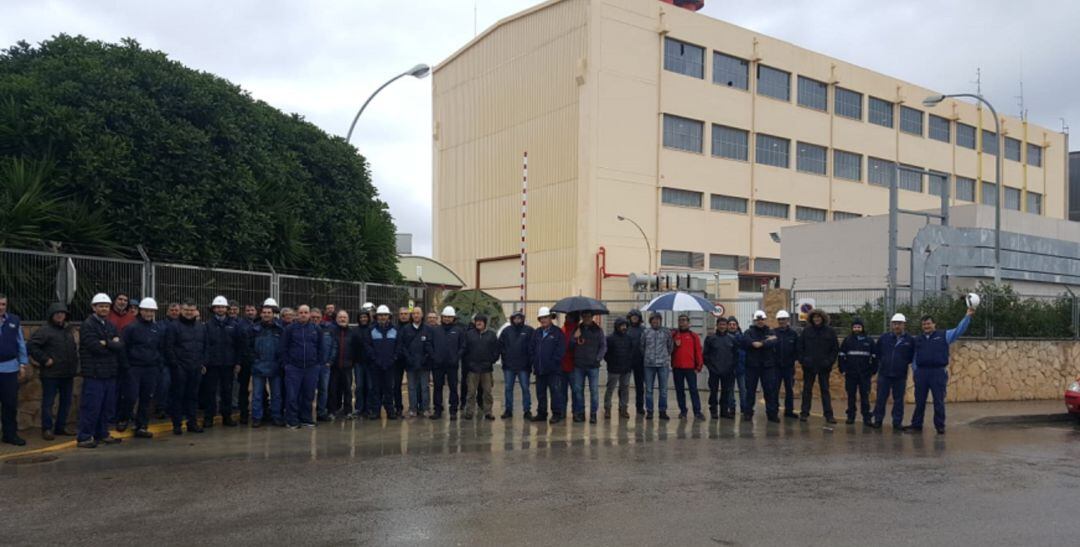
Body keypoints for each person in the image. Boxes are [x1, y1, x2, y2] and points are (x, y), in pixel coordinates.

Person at [905, 307, 975, 435]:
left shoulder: (944, 335)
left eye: (928, 323)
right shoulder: (918, 339)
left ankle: (940, 426)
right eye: (924, 324)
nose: (926, 326)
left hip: (938, 373)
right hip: (921, 373)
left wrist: (967, 316)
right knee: (919, 401)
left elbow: (959, 330)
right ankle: (916, 425)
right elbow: (915, 356)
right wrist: (915, 371)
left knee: (938, 401)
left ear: (934, 324)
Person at [77, 293, 124, 448]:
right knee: (91, 407)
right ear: (93, 307)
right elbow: (95, 347)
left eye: (106, 306)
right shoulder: (88, 325)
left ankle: (102, 433)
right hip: (94, 374)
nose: (104, 309)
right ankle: (85, 437)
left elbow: (119, 346)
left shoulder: (110, 325)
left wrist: (106, 343)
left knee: (107, 407)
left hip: (109, 373)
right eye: (101, 306)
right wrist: (111, 344)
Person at [30, 302, 78, 440]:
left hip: (67, 373)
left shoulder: (69, 330)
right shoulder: (44, 330)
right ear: (51, 315)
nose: (60, 315)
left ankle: (60, 427)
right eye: (57, 313)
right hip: (50, 374)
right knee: (48, 402)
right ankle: (47, 428)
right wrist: (45, 359)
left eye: (62, 313)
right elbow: (32, 346)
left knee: (66, 402)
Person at [122, 297, 165, 438]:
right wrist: (127, 366)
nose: (148, 313)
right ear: (140, 311)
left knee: (146, 398)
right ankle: (124, 418)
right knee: (131, 396)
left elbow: (160, 348)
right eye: (146, 310)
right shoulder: (131, 328)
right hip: (134, 368)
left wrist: (158, 364)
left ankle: (142, 426)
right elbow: (124, 348)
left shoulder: (157, 329)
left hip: (151, 368)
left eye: (151, 311)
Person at [164, 300, 207, 435]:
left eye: (192, 310)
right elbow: (168, 347)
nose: (189, 312)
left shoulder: (201, 327)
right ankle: (177, 424)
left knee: (193, 396)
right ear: (182, 311)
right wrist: (175, 364)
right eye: (186, 310)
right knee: (178, 396)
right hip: (180, 367)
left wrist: (203, 363)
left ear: (196, 310)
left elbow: (205, 346)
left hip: (196, 367)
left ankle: (192, 422)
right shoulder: (173, 326)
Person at [279, 305, 324, 429]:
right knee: (292, 395)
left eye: (306, 312)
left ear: (309, 314)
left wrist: (317, 364)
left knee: (308, 394)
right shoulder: (290, 329)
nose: (303, 314)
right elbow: (283, 348)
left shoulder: (316, 329)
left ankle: (306, 418)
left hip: (311, 367)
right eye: (301, 312)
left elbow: (321, 347)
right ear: (297, 314)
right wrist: (287, 364)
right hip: (294, 368)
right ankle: (292, 420)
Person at [201, 295, 242, 428]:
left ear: (227, 309)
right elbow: (204, 345)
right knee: (210, 392)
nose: (220, 309)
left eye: (222, 307)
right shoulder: (207, 325)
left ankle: (227, 417)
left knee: (227, 392)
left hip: (228, 364)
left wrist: (237, 363)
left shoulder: (234, 325)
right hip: (212, 364)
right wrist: (204, 363)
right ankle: (209, 418)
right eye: (217, 307)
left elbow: (238, 346)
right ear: (213, 309)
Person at [871, 314, 915, 430]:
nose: (897, 326)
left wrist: (902, 363)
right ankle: (878, 420)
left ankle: (897, 422)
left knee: (899, 400)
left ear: (904, 325)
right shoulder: (884, 338)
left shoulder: (909, 340)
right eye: (895, 324)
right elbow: (878, 354)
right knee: (881, 398)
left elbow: (911, 356)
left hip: (900, 375)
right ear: (891, 325)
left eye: (899, 324)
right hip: (884, 374)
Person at [797, 309, 838, 424]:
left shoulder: (830, 331)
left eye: (818, 317)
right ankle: (804, 413)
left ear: (823, 318)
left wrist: (829, 362)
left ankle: (829, 415)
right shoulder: (806, 331)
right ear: (811, 318)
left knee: (825, 390)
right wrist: (804, 361)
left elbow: (834, 349)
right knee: (807, 390)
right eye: (814, 317)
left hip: (824, 367)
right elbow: (800, 347)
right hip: (809, 366)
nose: (816, 319)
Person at [0, 294, 30, 446]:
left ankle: (10, 434)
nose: (1, 307)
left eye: (3, 304)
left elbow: (21, 344)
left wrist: (23, 364)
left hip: (9, 368)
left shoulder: (14, 320)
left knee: (10, 404)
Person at [742, 310, 780, 423]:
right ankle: (748, 413)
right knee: (750, 391)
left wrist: (762, 343)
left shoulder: (770, 331)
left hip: (767, 366)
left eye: (762, 319)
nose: (760, 321)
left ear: (764, 320)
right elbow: (747, 342)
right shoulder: (748, 332)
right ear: (754, 320)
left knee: (769, 391)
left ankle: (772, 414)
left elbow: (773, 341)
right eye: (758, 319)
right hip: (752, 366)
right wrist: (761, 342)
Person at [530, 307, 566, 424]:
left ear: (551, 318)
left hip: (553, 371)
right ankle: (541, 413)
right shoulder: (537, 333)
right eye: (541, 318)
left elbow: (560, 351)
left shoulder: (558, 333)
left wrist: (552, 363)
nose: (543, 320)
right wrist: (534, 362)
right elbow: (532, 349)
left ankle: (556, 414)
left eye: (545, 317)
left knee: (555, 392)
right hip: (539, 370)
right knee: (540, 393)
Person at [250, 304, 284, 427]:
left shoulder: (279, 329)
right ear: (260, 314)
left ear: (273, 314)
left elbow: (283, 347)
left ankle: (276, 416)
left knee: (276, 394)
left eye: (269, 312)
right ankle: (256, 418)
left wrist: (280, 362)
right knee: (257, 395)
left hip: (275, 366)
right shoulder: (254, 329)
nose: (266, 314)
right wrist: (254, 360)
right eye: (264, 312)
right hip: (258, 366)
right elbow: (249, 347)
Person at [838, 317, 876, 425]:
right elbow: (841, 355)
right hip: (851, 373)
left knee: (865, 396)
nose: (857, 329)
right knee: (851, 396)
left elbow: (874, 356)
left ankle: (866, 417)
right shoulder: (847, 340)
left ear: (862, 328)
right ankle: (851, 416)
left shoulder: (869, 341)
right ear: (852, 328)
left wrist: (873, 370)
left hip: (864, 374)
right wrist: (843, 369)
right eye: (855, 327)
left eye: (859, 327)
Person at [429, 307, 465, 420]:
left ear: (453, 318)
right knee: (437, 388)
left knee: (453, 388)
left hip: (452, 365)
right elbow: (429, 345)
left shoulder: (458, 330)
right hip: (438, 365)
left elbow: (463, 346)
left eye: (450, 317)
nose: (447, 319)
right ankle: (437, 410)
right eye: (445, 317)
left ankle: (453, 410)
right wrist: (434, 356)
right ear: (442, 317)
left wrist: (457, 357)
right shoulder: (435, 330)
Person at [571, 311, 606, 424]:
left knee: (594, 391)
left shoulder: (598, 330)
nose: (586, 318)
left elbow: (603, 346)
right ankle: (580, 413)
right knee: (577, 391)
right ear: (582, 317)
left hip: (593, 366)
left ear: (592, 317)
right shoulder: (577, 329)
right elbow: (570, 345)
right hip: (579, 365)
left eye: (588, 316)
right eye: (584, 316)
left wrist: (598, 358)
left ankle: (593, 414)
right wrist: (574, 338)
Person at [108, 292, 136, 431]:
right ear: (114, 301)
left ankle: (123, 416)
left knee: (126, 391)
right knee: (112, 390)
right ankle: (109, 417)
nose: (122, 302)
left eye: (125, 300)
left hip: (127, 359)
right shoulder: (107, 316)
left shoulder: (131, 318)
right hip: (109, 358)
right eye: (120, 299)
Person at [498, 310, 534, 420]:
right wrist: (505, 358)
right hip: (509, 366)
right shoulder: (506, 331)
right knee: (508, 388)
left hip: (524, 367)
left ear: (522, 319)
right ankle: (508, 410)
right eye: (515, 318)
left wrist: (530, 361)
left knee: (525, 388)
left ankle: (527, 410)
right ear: (512, 319)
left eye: (519, 318)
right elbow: (500, 346)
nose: (517, 320)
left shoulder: (529, 330)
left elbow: (533, 347)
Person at [398, 307, 433, 417]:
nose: (416, 315)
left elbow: (430, 345)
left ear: (422, 315)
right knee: (411, 387)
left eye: (418, 313)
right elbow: (402, 346)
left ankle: (425, 408)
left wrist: (426, 358)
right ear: (412, 316)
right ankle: (413, 409)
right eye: (414, 313)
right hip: (410, 364)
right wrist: (408, 358)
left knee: (425, 387)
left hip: (424, 364)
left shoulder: (428, 329)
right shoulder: (406, 329)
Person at [462, 314, 498, 420]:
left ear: (485, 323)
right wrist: (468, 363)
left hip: (486, 369)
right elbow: (464, 349)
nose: (478, 323)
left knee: (487, 392)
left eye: (481, 321)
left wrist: (492, 360)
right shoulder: (469, 334)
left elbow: (496, 350)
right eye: (477, 321)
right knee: (471, 392)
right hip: (473, 369)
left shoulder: (491, 335)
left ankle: (488, 412)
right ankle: (469, 412)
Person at [368, 305, 400, 419]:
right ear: (377, 317)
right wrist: (375, 359)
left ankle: (390, 411)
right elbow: (368, 346)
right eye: (380, 315)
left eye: (385, 315)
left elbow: (398, 346)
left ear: (389, 316)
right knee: (375, 389)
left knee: (389, 389)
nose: (382, 317)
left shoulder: (395, 330)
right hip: (376, 365)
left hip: (390, 365)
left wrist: (394, 358)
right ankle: (376, 411)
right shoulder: (371, 330)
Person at [670, 314, 704, 420]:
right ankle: (683, 411)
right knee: (679, 390)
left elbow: (698, 351)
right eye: (680, 320)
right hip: (677, 368)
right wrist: (674, 345)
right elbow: (668, 350)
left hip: (690, 368)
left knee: (693, 390)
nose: (682, 322)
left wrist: (699, 365)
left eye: (684, 320)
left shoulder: (694, 336)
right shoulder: (674, 335)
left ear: (689, 323)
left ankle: (697, 412)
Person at [641, 312, 674, 421]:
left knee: (663, 390)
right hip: (648, 365)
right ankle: (649, 411)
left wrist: (664, 356)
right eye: (653, 320)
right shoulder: (646, 332)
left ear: (660, 320)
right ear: (650, 321)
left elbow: (670, 346)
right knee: (649, 389)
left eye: (658, 319)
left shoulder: (666, 332)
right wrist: (648, 356)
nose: (656, 321)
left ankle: (662, 411)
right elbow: (642, 347)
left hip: (663, 365)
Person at [703, 317, 737, 419]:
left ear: (726, 326)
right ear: (717, 325)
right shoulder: (710, 338)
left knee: (726, 392)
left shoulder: (732, 339)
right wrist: (710, 367)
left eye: (724, 324)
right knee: (713, 391)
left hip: (728, 371)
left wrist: (731, 367)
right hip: (714, 371)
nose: (722, 326)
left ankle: (724, 411)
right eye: (720, 324)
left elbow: (736, 355)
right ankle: (713, 410)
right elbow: (705, 355)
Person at [154, 302, 181, 419]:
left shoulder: (183, 325)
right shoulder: (160, 325)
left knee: (178, 386)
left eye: (176, 310)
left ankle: (175, 408)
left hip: (179, 362)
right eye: (172, 310)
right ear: (167, 311)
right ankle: (161, 408)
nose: (174, 312)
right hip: (164, 362)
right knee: (164, 385)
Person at [603, 317, 634, 420]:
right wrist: (611, 362)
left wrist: (629, 364)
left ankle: (623, 408)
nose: (624, 327)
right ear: (617, 326)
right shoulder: (610, 338)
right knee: (610, 389)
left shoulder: (629, 338)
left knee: (624, 389)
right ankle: (607, 408)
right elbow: (606, 354)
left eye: (625, 325)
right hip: (614, 369)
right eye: (622, 325)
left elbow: (631, 352)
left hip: (626, 369)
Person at [326, 310, 355, 419]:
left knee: (347, 389)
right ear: (336, 319)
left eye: (344, 317)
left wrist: (352, 361)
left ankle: (348, 411)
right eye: (340, 317)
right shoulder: (332, 331)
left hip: (347, 366)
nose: (342, 319)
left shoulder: (352, 332)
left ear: (348, 319)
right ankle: (332, 411)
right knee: (332, 389)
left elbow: (356, 349)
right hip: (334, 366)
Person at [773, 310, 800, 419]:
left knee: (789, 389)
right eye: (779, 319)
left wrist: (792, 360)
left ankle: (789, 411)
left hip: (789, 367)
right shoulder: (773, 333)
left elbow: (797, 350)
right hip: (776, 367)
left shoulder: (793, 334)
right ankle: (773, 410)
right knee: (774, 389)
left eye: (783, 319)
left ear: (787, 320)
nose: (781, 321)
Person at [350, 304, 374, 419]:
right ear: (358, 319)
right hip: (358, 363)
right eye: (361, 317)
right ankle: (359, 408)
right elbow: (352, 347)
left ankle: (368, 408)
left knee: (370, 386)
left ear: (368, 318)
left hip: (370, 363)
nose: (363, 319)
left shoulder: (372, 330)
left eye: (365, 317)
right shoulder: (354, 331)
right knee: (359, 386)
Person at [235, 302, 257, 424]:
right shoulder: (240, 326)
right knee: (243, 389)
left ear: (256, 311)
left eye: (252, 310)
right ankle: (243, 413)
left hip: (257, 361)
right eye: (248, 310)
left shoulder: (259, 324)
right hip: (244, 361)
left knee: (259, 388)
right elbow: (238, 345)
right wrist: (238, 362)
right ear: (245, 312)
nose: (250, 312)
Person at [313, 311, 333, 422]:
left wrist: (330, 360)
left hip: (325, 365)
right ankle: (305, 412)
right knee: (309, 390)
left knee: (323, 390)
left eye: (318, 317)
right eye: (313, 317)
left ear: (321, 318)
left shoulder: (328, 329)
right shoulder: (305, 328)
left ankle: (321, 412)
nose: (315, 319)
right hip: (311, 365)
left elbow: (334, 345)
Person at [625, 310, 646, 417]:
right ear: (629, 317)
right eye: (633, 316)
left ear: (639, 318)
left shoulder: (643, 330)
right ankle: (623, 407)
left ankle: (640, 407)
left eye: (636, 317)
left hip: (640, 361)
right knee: (624, 386)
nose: (634, 318)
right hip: (627, 361)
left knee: (640, 386)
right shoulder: (625, 329)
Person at [393, 306, 411, 416]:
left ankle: (415, 407)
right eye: (402, 314)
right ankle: (398, 407)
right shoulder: (394, 328)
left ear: (409, 315)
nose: (403, 316)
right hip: (397, 361)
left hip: (410, 360)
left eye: (406, 314)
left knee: (413, 385)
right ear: (398, 315)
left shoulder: (413, 328)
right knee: (396, 385)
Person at [727, 317, 746, 417]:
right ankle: (732, 408)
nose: (732, 326)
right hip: (729, 368)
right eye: (730, 324)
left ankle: (744, 408)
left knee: (743, 389)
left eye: (734, 324)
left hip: (741, 367)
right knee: (730, 390)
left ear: (737, 326)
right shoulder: (724, 337)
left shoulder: (743, 337)